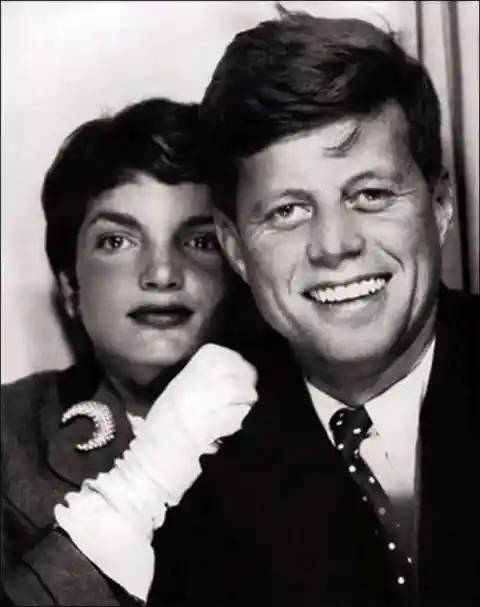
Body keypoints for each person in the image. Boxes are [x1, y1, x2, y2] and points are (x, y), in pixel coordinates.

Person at [1, 97, 261, 606]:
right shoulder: (8, 437)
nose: (162, 274)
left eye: (201, 241)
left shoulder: (316, 418)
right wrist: (140, 487)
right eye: (117, 241)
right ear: (71, 289)